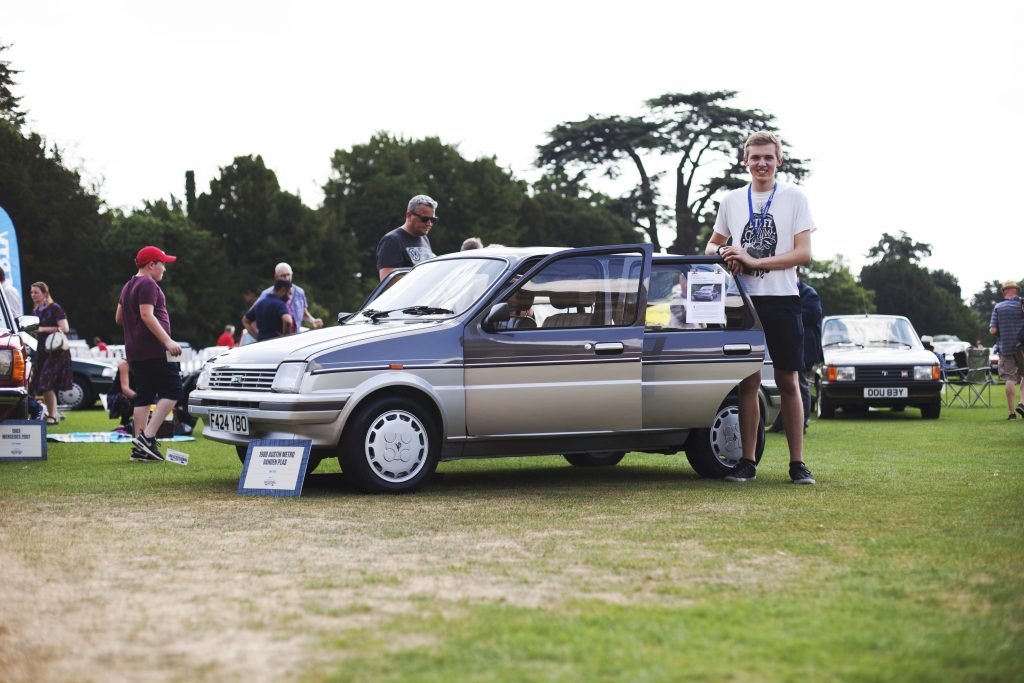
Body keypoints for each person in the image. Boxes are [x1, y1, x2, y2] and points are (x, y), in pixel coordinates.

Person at [705, 130, 816, 484]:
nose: (762, 163)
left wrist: (754, 261)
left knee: (788, 380)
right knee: (747, 381)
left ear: (779, 160)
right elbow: (711, 247)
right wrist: (727, 254)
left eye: (768, 157)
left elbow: (803, 254)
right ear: (745, 162)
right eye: (755, 157)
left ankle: (797, 464)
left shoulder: (795, 197)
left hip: (783, 299)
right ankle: (747, 462)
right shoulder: (731, 201)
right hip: (744, 300)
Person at [115, 245, 183, 462]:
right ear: (151, 264)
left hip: (135, 350)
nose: (164, 268)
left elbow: (119, 318)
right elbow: (146, 315)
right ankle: (147, 437)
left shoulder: (127, 286)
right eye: (162, 264)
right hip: (154, 349)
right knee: (173, 389)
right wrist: (167, 340)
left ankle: (139, 449)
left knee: (144, 395)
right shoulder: (147, 283)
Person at [770, 278, 822, 434]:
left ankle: (801, 423)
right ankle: (781, 424)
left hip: (806, 348)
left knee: (800, 385)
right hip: (791, 344)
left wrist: (788, 310)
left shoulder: (809, 293)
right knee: (787, 385)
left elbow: (812, 315)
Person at [27, 282, 73, 425]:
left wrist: (41, 329)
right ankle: (50, 413)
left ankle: (53, 416)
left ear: (45, 293)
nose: (33, 295)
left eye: (36, 292)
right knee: (41, 385)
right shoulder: (36, 310)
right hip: (41, 352)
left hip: (55, 352)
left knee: (46, 383)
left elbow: (64, 328)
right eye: (31, 292)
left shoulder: (54, 308)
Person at [377, 195, 438, 280]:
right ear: (409, 216)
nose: (429, 223)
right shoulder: (392, 240)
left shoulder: (424, 238)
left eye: (433, 220)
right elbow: (387, 281)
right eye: (424, 219)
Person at [989, 280, 1024, 420]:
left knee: (1009, 378)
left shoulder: (998, 307)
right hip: (1022, 345)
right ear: (1016, 290)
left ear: (1004, 291)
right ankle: (1022, 402)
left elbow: (992, 330)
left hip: (1005, 347)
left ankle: (1011, 413)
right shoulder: (1021, 304)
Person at [254, 263, 322, 331]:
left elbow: (304, 314)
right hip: (274, 337)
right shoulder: (266, 294)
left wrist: (313, 321)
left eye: (288, 275)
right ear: (276, 276)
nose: (286, 278)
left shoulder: (299, 292)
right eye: (283, 276)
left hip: (295, 335)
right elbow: (252, 316)